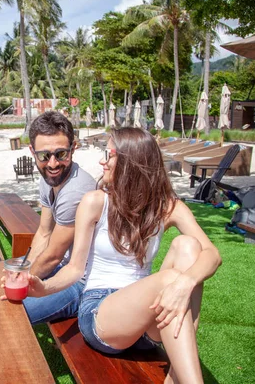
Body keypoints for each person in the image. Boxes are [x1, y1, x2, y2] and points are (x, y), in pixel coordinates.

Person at [27, 127, 221, 384]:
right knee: (170, 280)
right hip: (101, 314)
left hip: (146, 320)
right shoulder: (95, 201)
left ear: (131, 162)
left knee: (189, 247)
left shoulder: (168, 207)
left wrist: (186, 282)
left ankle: (176, 373)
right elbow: (75, 269)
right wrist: (45, 287)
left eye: (109, 155)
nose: (102, 162)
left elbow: (212, 254)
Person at [1, 111, 97, 325]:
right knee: (5, 294)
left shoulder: (75, 191)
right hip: (63, 269)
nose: (53, 164)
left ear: (73, 149)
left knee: (10, 315)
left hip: (83, 282)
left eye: (61, 154)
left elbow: (53, 256)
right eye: (44, 156)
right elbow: (44, 233)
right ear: (32, 152)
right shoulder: (49, 180)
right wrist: (23, 273)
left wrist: (20, 284)